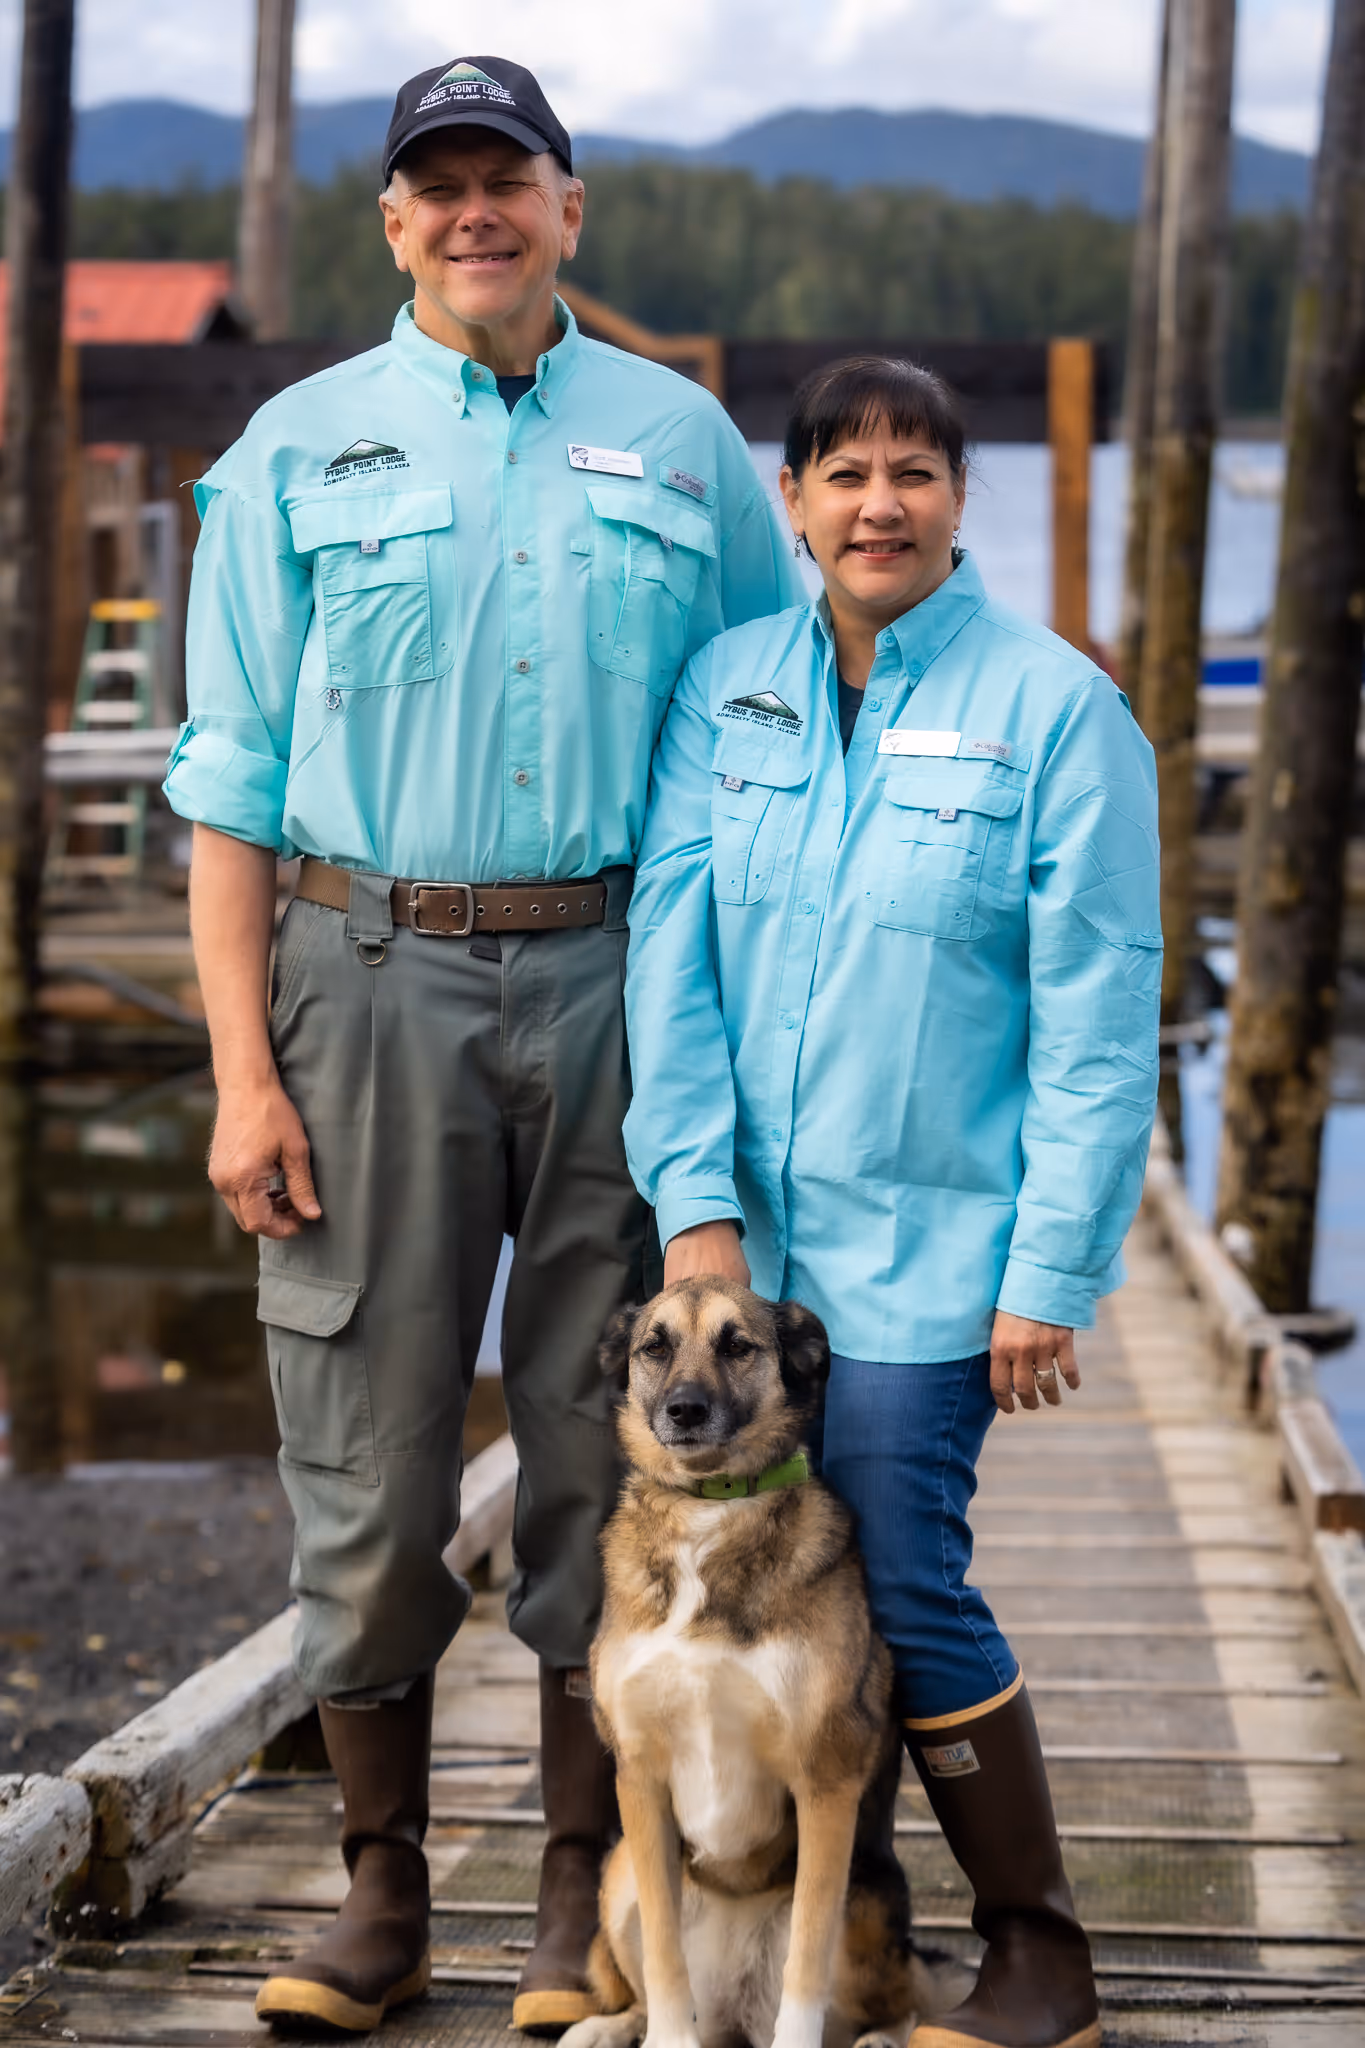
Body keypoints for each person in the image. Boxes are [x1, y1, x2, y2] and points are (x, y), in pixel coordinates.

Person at [164, 54, 801, 2038]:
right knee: (362, 1443)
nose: (472, 214)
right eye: (434, 186)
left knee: (606, 1446)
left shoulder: (687, 445)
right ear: (392, 223)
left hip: (627, 978)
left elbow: (775, 741)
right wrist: (243, 1072)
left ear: (568, 207)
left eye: (504, 178)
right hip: (363, 981)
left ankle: (565, 1895)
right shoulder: (295, 448)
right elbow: (230, 783)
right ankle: (377, 1900)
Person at [621, 356, 1162, 2048]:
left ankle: (1039, 1953)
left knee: (904, 1581)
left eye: (914, 472)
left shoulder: (1057, 709)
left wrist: (1050, 1272)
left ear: (955, 499)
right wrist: (692, 1203)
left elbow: (1097, 1010)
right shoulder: (728, 691)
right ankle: (713, 1934)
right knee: (690, 1576)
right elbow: (672, 959)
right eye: (844, 472)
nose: (878, 504)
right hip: (744, 1261)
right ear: (791, 502)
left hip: (934, 1261)